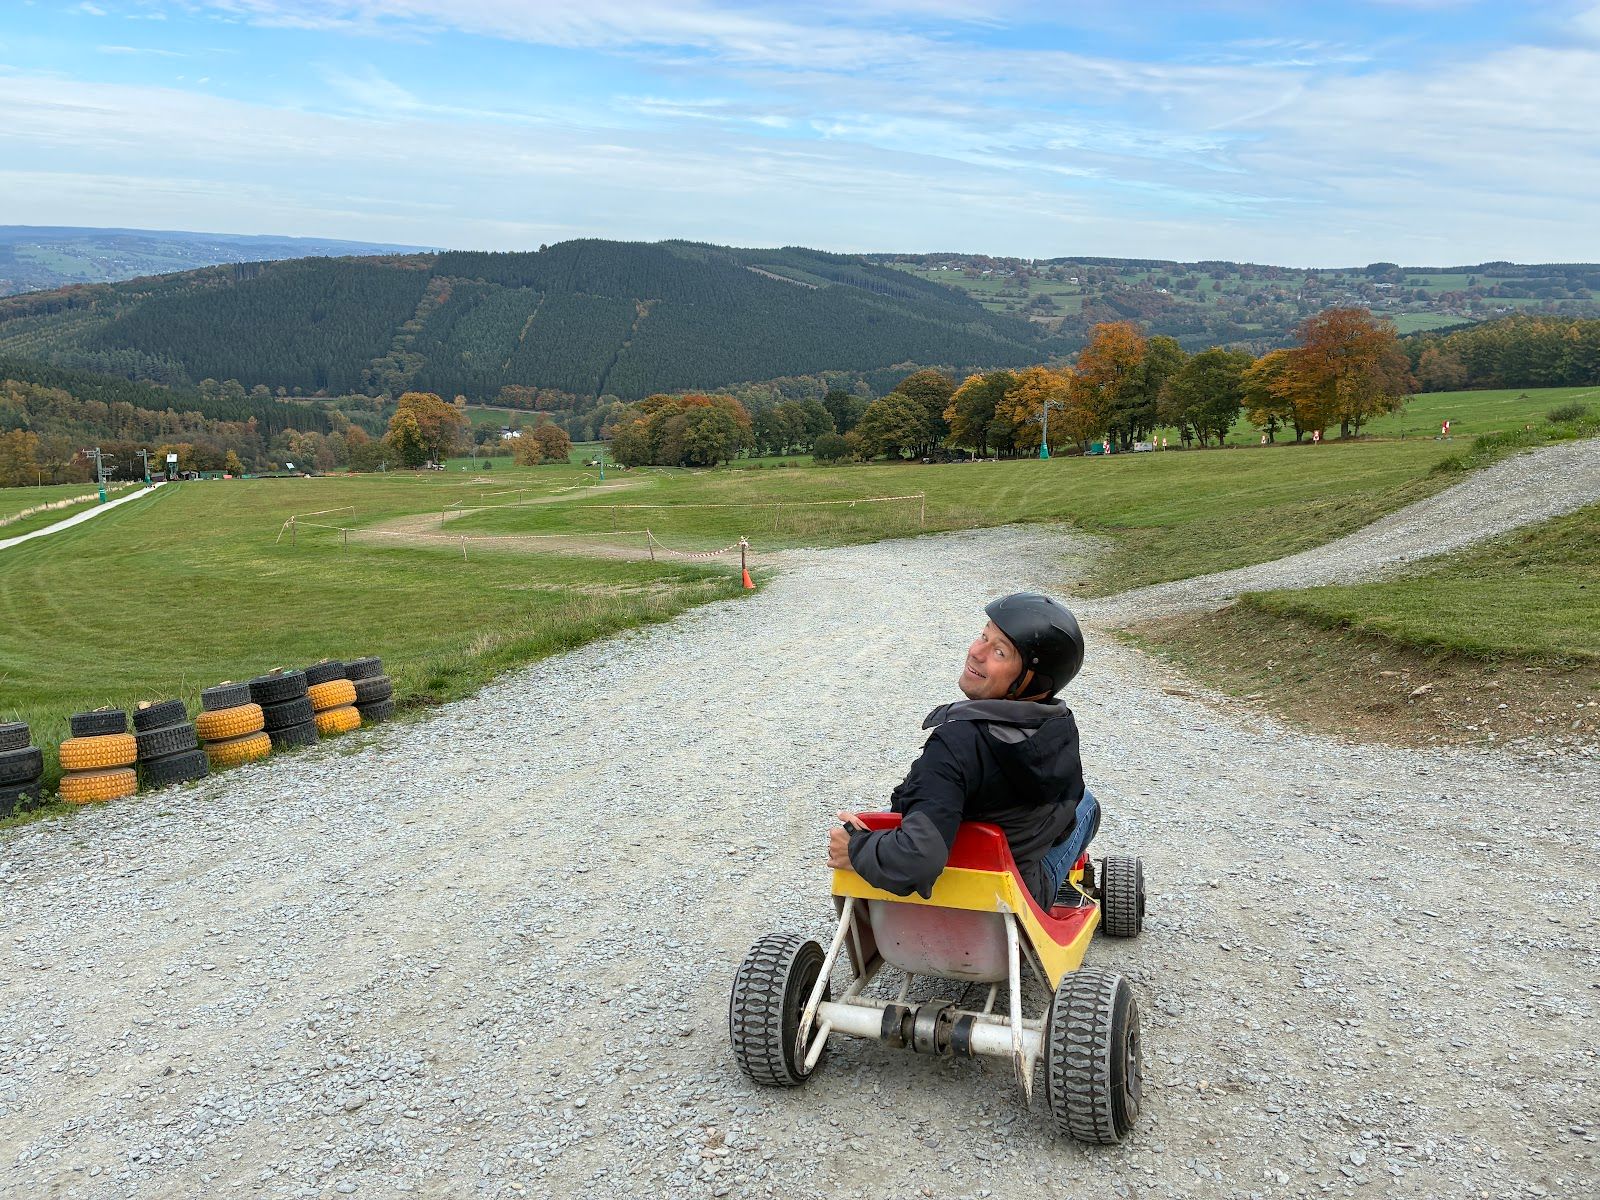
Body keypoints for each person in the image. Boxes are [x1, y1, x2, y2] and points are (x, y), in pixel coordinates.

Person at [826, 593, 1099, 909]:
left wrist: (855, 848)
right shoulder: (1058, 726)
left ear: (1033, 681)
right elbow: (1063, 825)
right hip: (1015, 896)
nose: (976, 652)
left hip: (967, 898)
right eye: (983, 636)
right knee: (1086, 804)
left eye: (999, 651)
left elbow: (919, 859)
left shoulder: (955, 746)